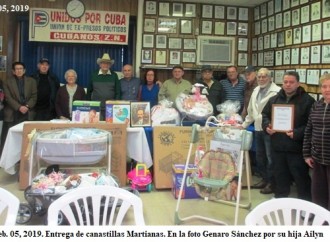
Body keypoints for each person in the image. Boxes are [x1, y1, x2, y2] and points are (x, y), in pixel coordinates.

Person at [262, 71, 315, 200]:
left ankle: (305, 205)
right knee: (280, 176)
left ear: (298, 84)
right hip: (278, 146)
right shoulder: (274, 99)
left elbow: (311, 125)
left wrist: (297, 133)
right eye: (285, 82)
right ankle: (280, 200)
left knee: (301, 178)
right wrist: (267, 126)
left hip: (296, 148)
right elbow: (264, 116)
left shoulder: (308, 101)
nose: (288, 85)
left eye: (291, 82)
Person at [242, 68, 281, 194]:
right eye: (259, 77)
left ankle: (272, 183)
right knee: (260, 157)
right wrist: (244, 125)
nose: (261, 79)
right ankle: (264, 179)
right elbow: (251, 111)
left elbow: (279, 112)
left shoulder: (277, 91)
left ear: (270, 78)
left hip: (270, 130)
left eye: (264, 76)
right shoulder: (255, 90)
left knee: (271, 158)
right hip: (258, 128)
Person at [303, 74, 330, 210]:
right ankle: (320, 224)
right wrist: (307, 154)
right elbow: (309, 130)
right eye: (324, 86)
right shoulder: (316, 106)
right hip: (318, 158)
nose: (327, 90)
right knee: (318, 195)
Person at [1, 62, 37, 152]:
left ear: (24, 70)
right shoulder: (7, 82)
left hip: (27, 112)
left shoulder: (32, 81)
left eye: (21, 69)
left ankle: (24, 159)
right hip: (12, 113)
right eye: (16, 69)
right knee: (9, 138)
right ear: (13, 71)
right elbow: (7, 97)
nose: (19, 71)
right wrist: (19, 107)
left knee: (26, 138)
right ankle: (5, 160)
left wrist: (27, 106)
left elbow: (34, 96)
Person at [87, 53, 121, 120]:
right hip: (96, 107)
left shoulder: (114, 75)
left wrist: (115, 105)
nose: (105, 65)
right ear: (100, 64)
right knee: (97, 126)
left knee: (109, 126)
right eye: (103, 63)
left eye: (107, 63)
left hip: (110, 107)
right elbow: (89, 91)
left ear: (110, 65)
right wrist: (90, 106)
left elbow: (118, 92)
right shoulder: (94, 75)